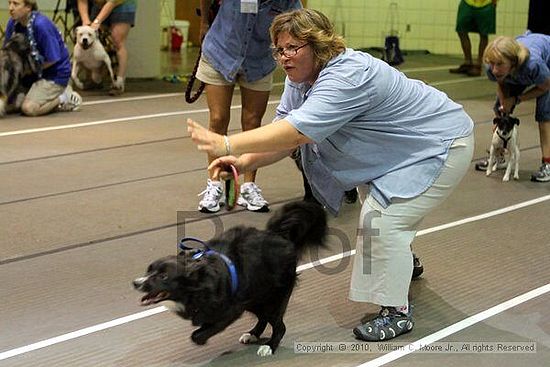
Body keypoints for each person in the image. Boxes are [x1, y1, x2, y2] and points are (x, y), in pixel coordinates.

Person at [188, 9, 475, 341]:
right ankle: (402, 261)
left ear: (319, 45)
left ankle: (397, 312)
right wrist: (242, 162)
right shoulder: (302, 78)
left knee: (382, 220)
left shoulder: (348, 75)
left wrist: (226, 142)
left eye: (293, 47)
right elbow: (284, 135)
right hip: (396, 151)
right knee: (384, 218)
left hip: (439, 143)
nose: (284, 57)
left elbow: (297, 133)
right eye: (279, 50)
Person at [195, 0, 302, 213]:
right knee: (218, 119)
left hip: (259, 61)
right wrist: (204, 24)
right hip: (220, 52)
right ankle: (215, 184)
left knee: (253, 122)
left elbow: (299, 25)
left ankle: (248, 186)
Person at [475, 33, 550, 182]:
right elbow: (501, 82)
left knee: (544, 114)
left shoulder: (533, 65)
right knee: (500, 111)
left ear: (513, 63)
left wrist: (516, 99)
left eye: (499, 64)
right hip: (518, 70)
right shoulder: (492, 67)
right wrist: (505, 105)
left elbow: (545, 86)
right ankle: (498, 155)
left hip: (547, 67)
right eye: (492, 64)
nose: (495, 69)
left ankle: (547, 164)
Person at [4, 0, 81, 116]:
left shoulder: (41, 25)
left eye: (16, 4)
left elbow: (53, 58)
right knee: (10, 106)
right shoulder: (12, 23)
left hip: (54, 74)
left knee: (29, 108)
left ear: (28, 7)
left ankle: (64, 97)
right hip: (28, 74)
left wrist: (27, 70)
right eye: (9, 3)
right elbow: (6, 54)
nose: (10, 8)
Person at [76, 0, 137, 95]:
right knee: (94, 40)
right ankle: (95, 78)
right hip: (99, 4)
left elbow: (112, 2)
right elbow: (82, 1)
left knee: (117, 41)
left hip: (122, 4)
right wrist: (85, 20)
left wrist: (97, 21)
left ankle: (119, 82)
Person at [449, 0, 497, 77]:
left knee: (484, 33)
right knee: (461, 30)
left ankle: (478, 64)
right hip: (467, 2)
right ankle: (467, 62)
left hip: (486, 3)